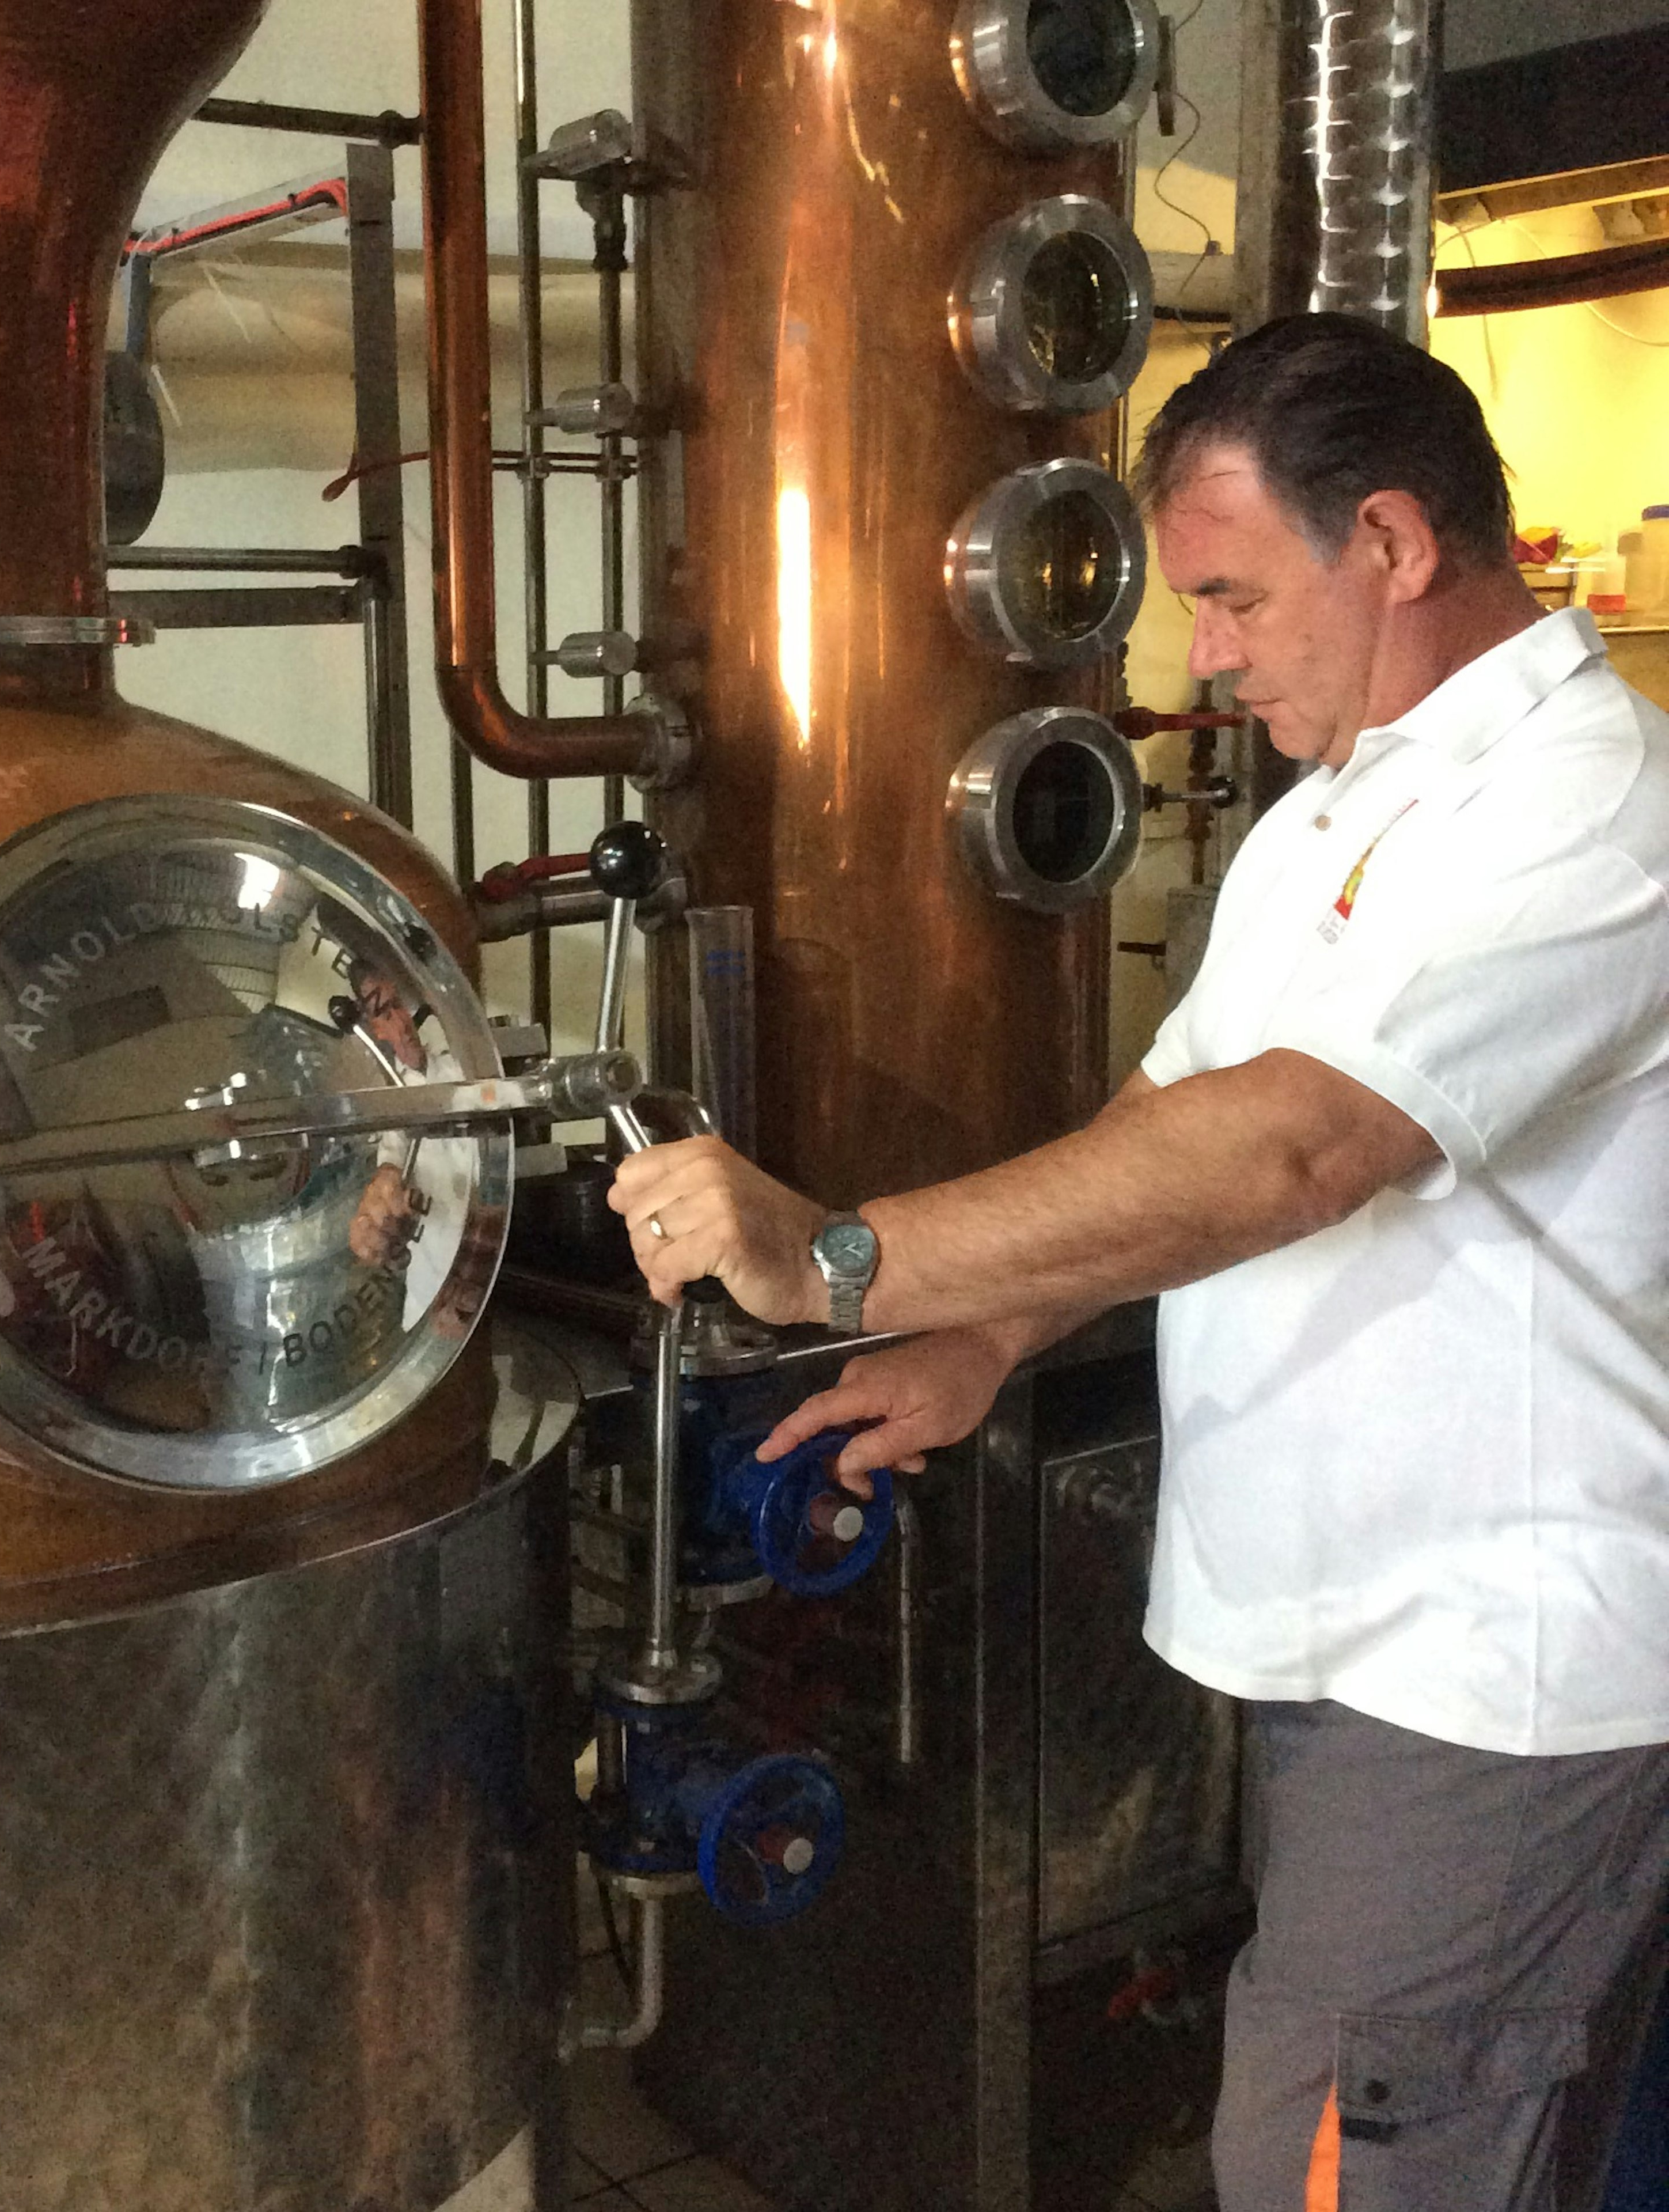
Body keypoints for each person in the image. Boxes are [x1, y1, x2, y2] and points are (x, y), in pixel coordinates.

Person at [609, 313, 1669, 2212]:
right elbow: (1168, 1127)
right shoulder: (1337, 810)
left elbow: (1295, 1146)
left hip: (1486, 1674)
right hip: (1353, 1645)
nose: (1210, 654)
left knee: (1353, 2168)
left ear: (1399, 546)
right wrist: (984, 1332)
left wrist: (839, 1255)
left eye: (1236, 595)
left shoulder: (1589, 806)